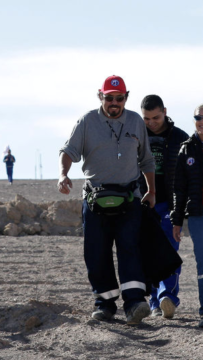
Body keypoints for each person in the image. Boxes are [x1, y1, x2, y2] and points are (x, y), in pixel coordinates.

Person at [58, 75, 156, 325]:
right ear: (100, 96)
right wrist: (63, 174)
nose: (114, 102)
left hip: (129, 198)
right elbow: (69, 151)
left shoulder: (135, 120)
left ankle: (135, 303)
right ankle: (105, 304)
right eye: (109, 97)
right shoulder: (87, 121)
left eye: (119, 98)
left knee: (130, 249)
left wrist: (151, 190)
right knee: (96, 252)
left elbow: (146, 159)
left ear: (126, 97)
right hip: (95, 199)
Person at [140, 95, 189, 319]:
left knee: (170, 250)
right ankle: (153, 302)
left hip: (171, 204)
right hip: (143, 203)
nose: (151, 122)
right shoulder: (136, 136)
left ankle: (166, 297)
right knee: (147, 251)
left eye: (156, 117)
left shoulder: (181, 138)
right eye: (147, 118)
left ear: (165, 111)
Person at [171, 104, 203, 328]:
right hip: (198, 217)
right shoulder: (186, 149)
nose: (201, 120)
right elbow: (179, 189)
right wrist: (176, 221)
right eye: (197, 117)